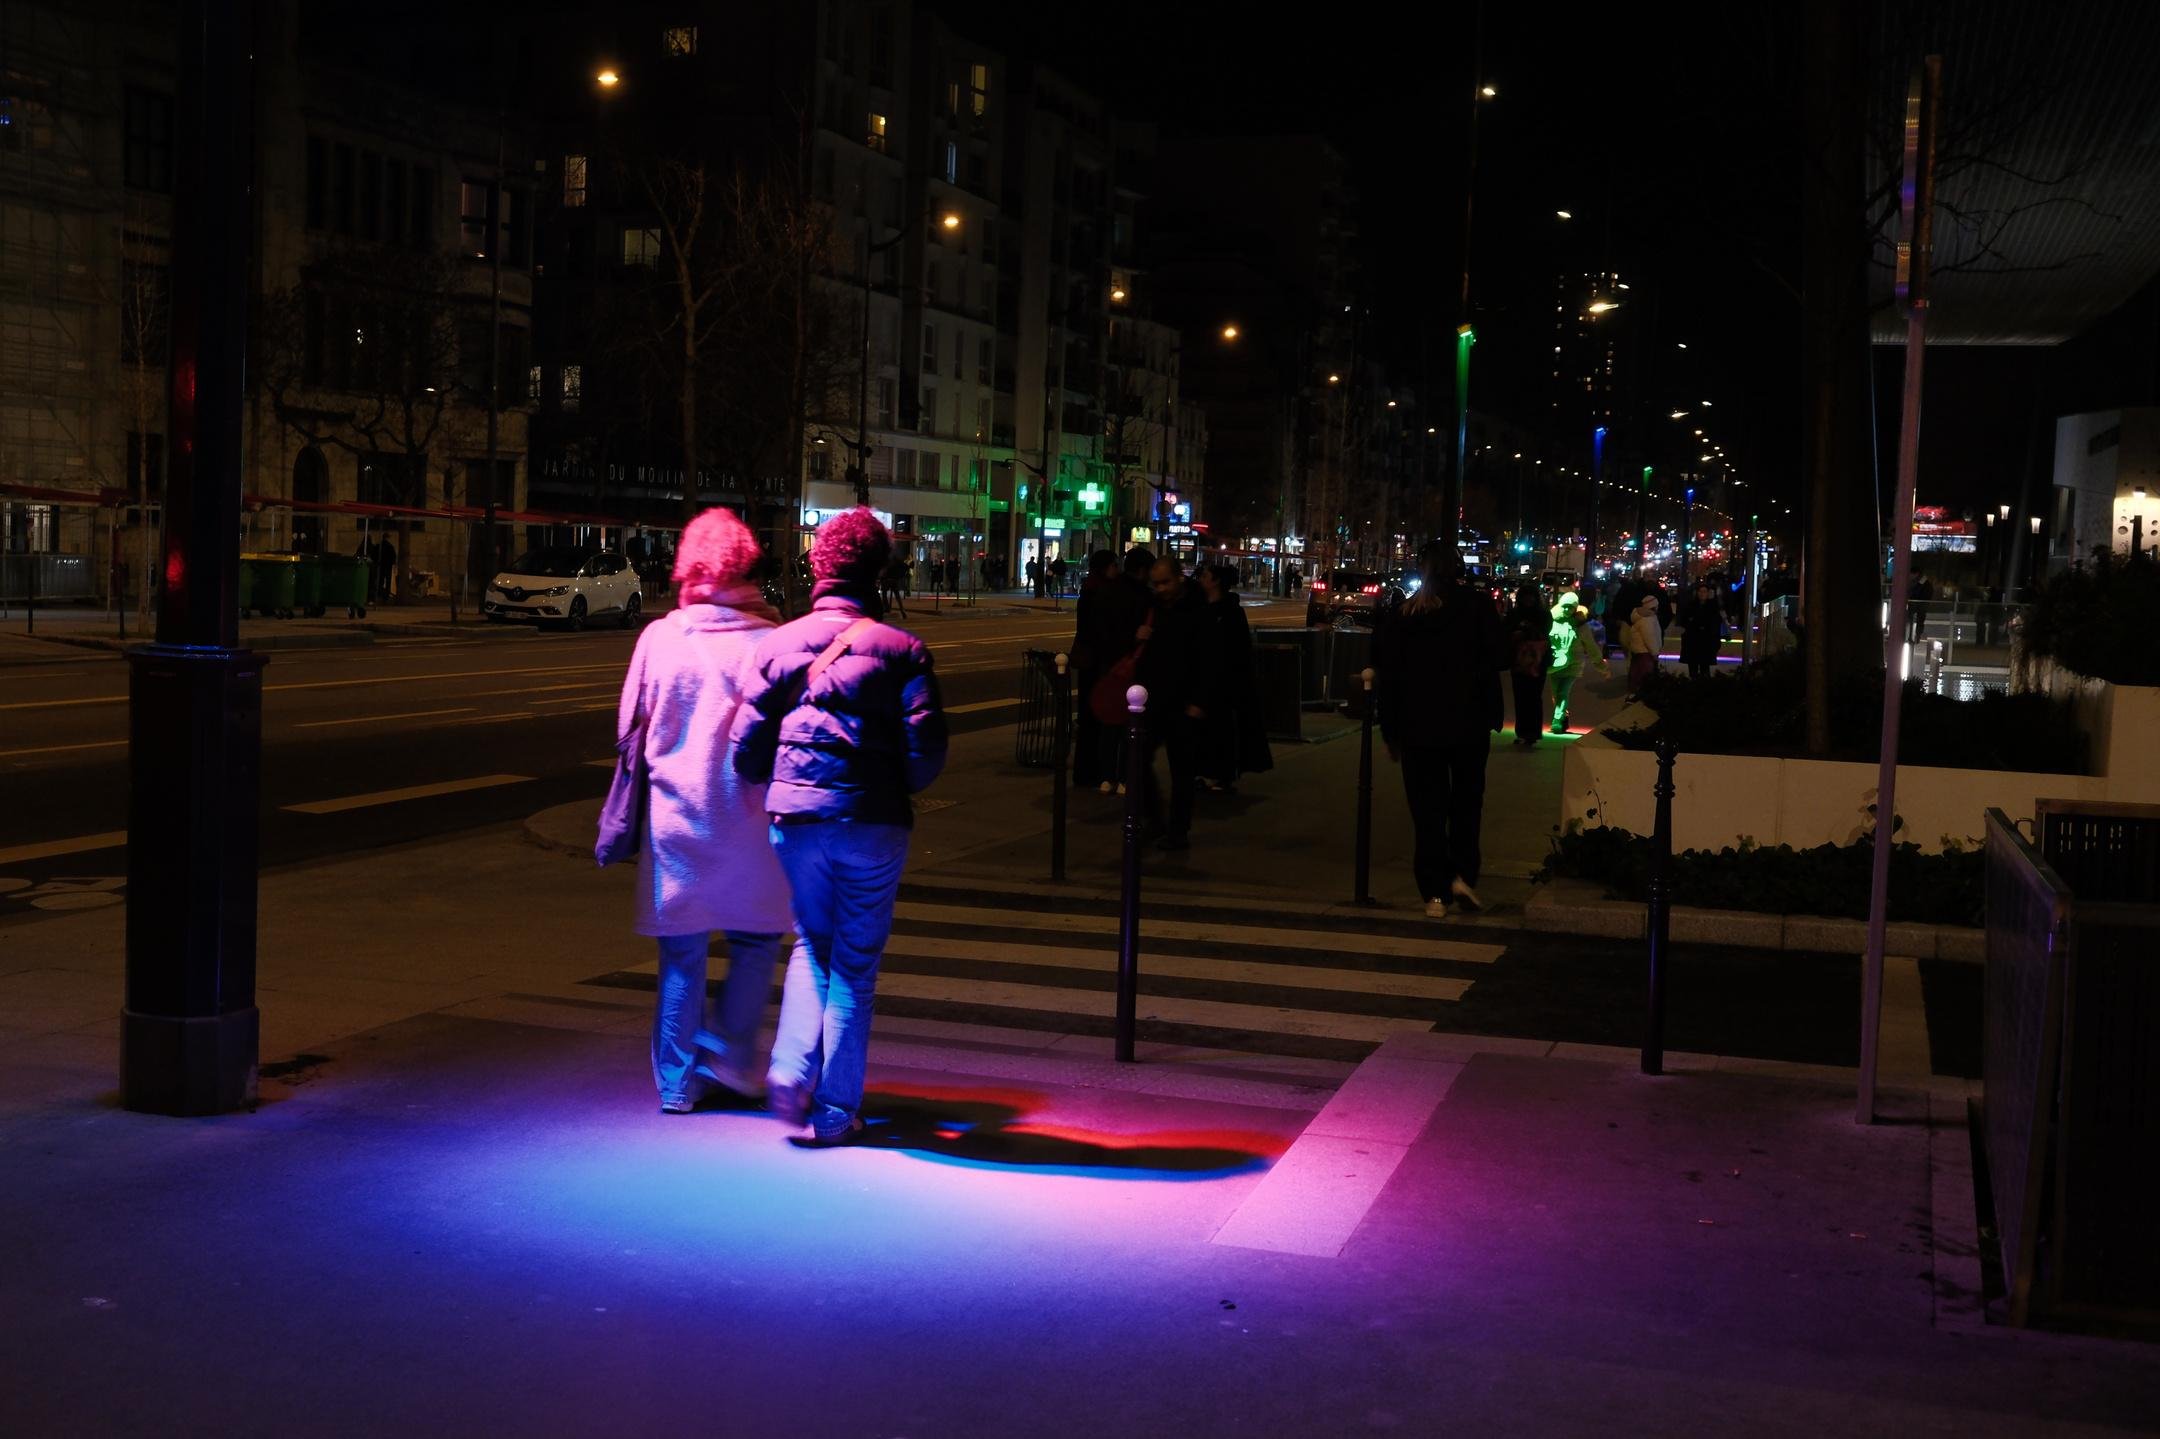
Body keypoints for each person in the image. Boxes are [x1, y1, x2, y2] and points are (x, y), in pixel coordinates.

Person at [731, 507, 948, 1146]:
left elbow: (744, 751)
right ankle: (833, 1111)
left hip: (795, 819)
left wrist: (787, 780)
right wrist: (894, 786)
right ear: (877, 573)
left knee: (810, 943)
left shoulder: (775, 645)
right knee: (854, 964)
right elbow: (927, 749)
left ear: (819, 567)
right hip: (872, 821)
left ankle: (791, 1066)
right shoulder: (902, 649)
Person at [614, 508, 793, 1114]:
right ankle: (731, 1050)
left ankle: (676, 1084)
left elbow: (629, 731)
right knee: (755, 940)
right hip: (747, 821)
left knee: (682, 957)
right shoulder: (770, 642)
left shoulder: (660, 638)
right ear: (747, 565)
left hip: (675, 820)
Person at [1374, 541, 1509, 918]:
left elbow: (1391, 675)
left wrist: (1391, 730)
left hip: (1419, 725)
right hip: (1467, 722)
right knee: (1467, 803)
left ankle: (1434, 891)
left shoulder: (1406, 613)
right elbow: (1499, 657)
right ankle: (1463, 874)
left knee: (1427, 810)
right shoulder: (1477, 607)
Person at [1134, 556, 1216, 851]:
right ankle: (1155, 819)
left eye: (1165, 582)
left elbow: (1208, 661)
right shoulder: (1154, 607)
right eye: (1156, 583)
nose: (1160, 588)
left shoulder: (1197, 611)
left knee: (1182, 771)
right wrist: (1141, 637)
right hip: (1154, 698)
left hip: (1183, 701)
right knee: (1138, 760)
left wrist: (1198, 701)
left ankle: (1177, 830)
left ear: (1179, 578)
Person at [1195, 563, 1272, 789]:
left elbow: (1236, 651)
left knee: (1220, 729)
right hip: (1207, 679)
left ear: (1216, 581)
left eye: (1206, 576)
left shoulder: (1230, 612)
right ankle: (1207, 771)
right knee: (1207, 730)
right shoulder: (1203, 608)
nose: (1201, 580)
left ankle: (1220, 774)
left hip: (1224, 683)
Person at [1070, 549, 1142, 791]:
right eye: (1114, 565)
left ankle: (1090, 773)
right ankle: (1098, 772)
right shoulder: (1102, 592)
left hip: (1090, 661)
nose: (1117, 570)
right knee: (1102, 717)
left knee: (1091, 718)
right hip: (1098, 661)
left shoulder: (1090, 590)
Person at [1547, 589, 1609, 735]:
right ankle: (1563, 717)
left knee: (1563, 692)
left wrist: (1601, 665)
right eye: (1565, 606)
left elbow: (1591, 647)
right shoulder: (1552, 621)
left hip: (1574, 664)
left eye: (1571, 607)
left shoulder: (1580, 625)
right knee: (1556, 694)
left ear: (1576, 608)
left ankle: (1557, 720)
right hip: (1554, 664)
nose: (1568, 610)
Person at [1504, 581, 1552, 745]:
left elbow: (1544, 632)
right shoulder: (1517, 614)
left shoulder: (1541, 615)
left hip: (1535, 661)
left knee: (1532, 696)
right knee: (1522, 696)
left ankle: (1530, 732)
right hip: (1523, 660)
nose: (1528, 601)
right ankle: (1525, 731)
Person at [1678, 580, 1726, 680]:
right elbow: (1683, 620)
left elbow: (1716, 622)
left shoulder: (1712, 606)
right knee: (1693, 668)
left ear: (1708, 593)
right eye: (1700, 591)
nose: (1702, 594)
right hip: (1693, 641)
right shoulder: (1691, 605)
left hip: (1706, 641)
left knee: (1705, 668)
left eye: (1704, 591)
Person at [1624, 591, 1663, 699]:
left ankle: (1633, 692)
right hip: (1645, 651)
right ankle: (1641, 695)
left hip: (1638, 650)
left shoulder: (1641, 617)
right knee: (1645, 675)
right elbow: (1650, 637)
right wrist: (1655, 652)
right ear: (1653, 606)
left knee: (1636, 672)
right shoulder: (1648, 619)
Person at [879, 553, 910, 619]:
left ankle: (887, 607)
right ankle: (902, 610)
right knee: (897, 596)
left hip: (887, 580)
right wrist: (900, 576)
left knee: (884, 593)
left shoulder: (888, 561)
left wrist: (882, 577)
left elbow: (884, 570)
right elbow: (906, 566)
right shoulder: (897, 560)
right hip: (894, 580)